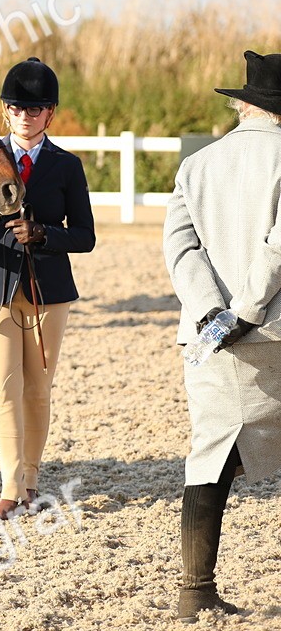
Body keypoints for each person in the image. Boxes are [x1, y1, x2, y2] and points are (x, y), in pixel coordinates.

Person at [0, 57, 95, 522]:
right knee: (3, 388)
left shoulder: (67, 166)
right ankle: (10, 489)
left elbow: (85, 236)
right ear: (4, 109)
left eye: (35, 109)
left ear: (50, 113)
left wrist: (45, 234)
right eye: (16, 108)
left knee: (37, 389)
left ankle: (30, 481)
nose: (25, 116)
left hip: (48, 289)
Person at [163, 50, 281, 623]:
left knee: (210, 455)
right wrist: (247, 311)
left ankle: (195, 590)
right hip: (272, 331)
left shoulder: (197, 164)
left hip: (209, 337)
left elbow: (180, 247)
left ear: (244, 105)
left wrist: (213, 312)